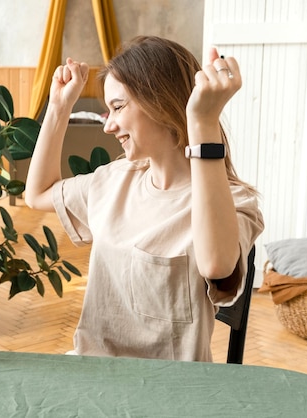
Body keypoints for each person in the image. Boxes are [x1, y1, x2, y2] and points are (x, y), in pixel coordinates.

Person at [24, 36, 264, 362]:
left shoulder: (233, 201)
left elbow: (217, 265)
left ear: (160, 103)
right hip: (91, 374)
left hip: (170, 393)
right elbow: (36, 194)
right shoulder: (114, 180)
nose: (108, 126)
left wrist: (203, 123)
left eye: (118, 107)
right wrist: (58, 106)